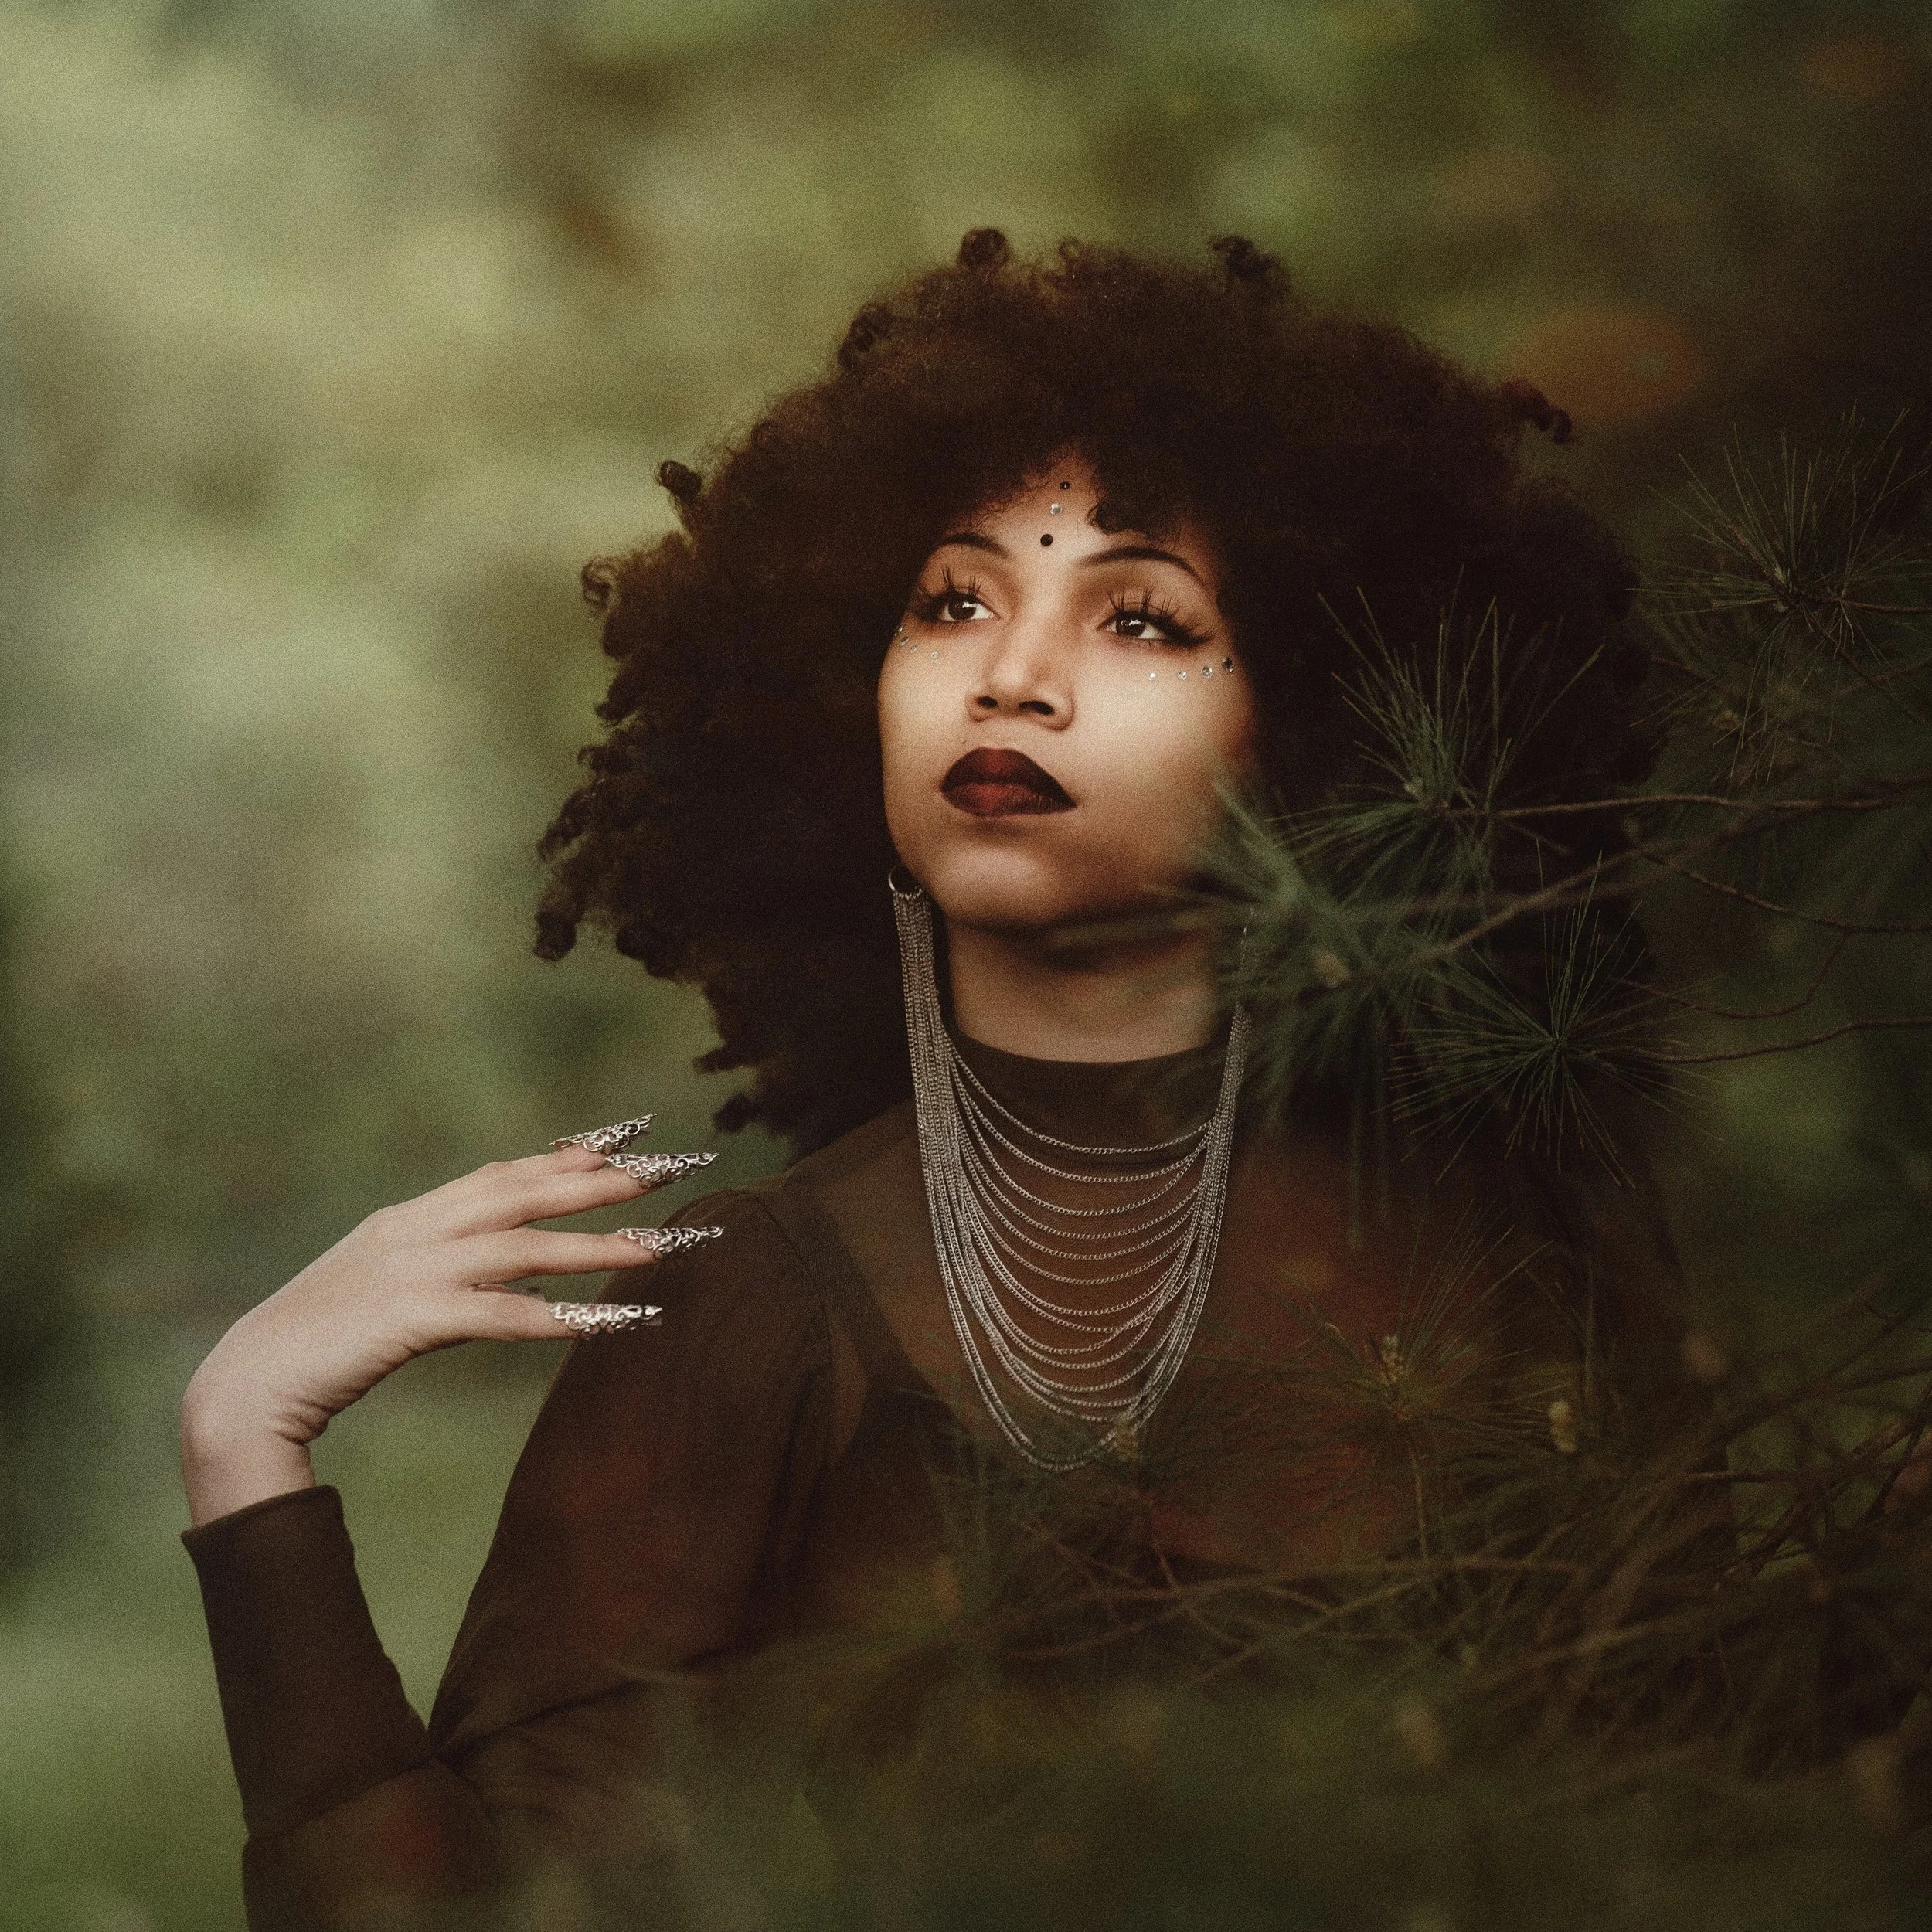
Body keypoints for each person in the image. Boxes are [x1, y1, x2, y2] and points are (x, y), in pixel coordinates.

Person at [179, 232, 1683, 1930]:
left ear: (1319, 717)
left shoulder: (1499, 1244)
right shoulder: (752, 1308)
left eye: (1140, 615)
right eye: (953, 597)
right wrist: (249, 1443)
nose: (1009, 672)